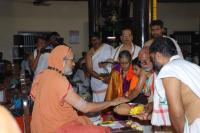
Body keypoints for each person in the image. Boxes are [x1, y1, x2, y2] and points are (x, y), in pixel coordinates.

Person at [30, 45, 128, 133]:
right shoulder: (59, 80)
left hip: (40, 126)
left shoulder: (43, 74)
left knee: (86, 121)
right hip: (55, 128)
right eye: (71, 60)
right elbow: (85, 107)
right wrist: (111, 102)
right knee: (99, 130)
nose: (74, 64)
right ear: (62, 60)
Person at [149, 37, 200, 133]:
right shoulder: (192, 66)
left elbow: (176, 114)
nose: (152, 63)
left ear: (158, 55)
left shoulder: (169, 70)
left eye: (152, 59)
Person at [86, 33, 115, 103]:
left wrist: (109, 76)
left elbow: (115, 63)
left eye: (96, 40)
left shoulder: (108, 48)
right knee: (98, 104)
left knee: (108, 104)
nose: (94, 42)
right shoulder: (89, 53)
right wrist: (101, 77)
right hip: (97, 81)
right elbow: (90, 69)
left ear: (100, 39)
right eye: (92, 41)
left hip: (109, 79)